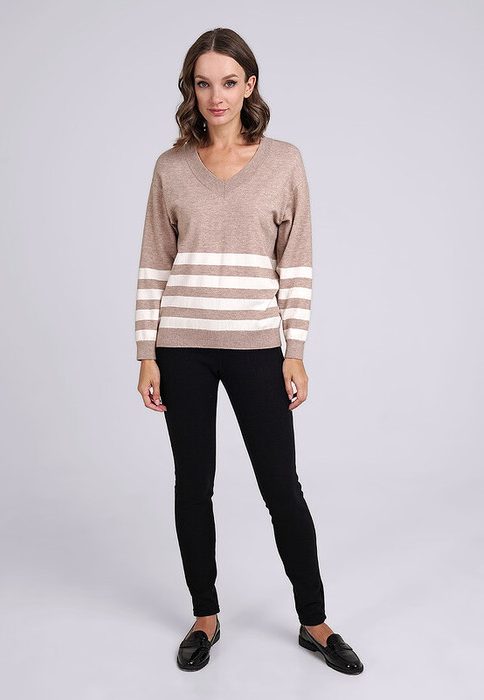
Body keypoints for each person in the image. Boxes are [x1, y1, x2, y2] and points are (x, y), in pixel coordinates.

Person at [135, 27, 363, 675]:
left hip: (256, 345)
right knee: (192, 486)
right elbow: (154, 263)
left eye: (229, 82)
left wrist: (295, 350)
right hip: (181, 347)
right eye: (203, 82)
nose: (217, 95)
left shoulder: (284, 162)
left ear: (249, 86)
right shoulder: (170, 167)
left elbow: (297, 263)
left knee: (280, 486)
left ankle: (314, 621)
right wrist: (146, 353)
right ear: (191, 89)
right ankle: (204, 616)